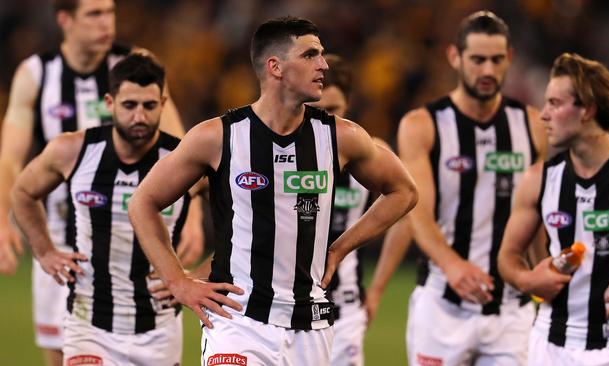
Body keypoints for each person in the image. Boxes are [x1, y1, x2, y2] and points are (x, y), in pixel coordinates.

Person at [127, 16, 417, 366]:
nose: (323, 64)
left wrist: (339, 250)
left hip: (311, 326)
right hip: (239, 320)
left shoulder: (342, 137)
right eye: (310, 55)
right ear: (275, 67)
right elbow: (143, 201)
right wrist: (178, 282)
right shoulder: (217, 137)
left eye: (321, 54)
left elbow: (403, 191)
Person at [0, 1, 202, 363]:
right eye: (94, 13)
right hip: (66, 241)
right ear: (65, 19)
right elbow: (11, 158)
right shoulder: (37, 73)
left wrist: (195, 215)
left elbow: (185, 154)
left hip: (140, 242)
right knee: (60, 353)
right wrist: (3, 217)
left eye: (109, 12)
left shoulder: (134, 67)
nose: (107, 22)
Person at [397, 11, 547, 365]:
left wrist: (544, 272)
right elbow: (418, 213)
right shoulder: (422, 125)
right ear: (455, 57)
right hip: (442, 306)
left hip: (511, 310)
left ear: (510, 57)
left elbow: (537, 215)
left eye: (497, 60)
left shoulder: (532, 125)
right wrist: (452, 264)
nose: (488, 71)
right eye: (477, 60)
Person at [498, 52, 609, 366]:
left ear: (587, 110)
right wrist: (529, 282)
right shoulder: (538, 179)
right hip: (548, 346)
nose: (543, 115)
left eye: (554, 103)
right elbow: (507, 257)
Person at [307, 53, 385, 366]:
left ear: (348, 105)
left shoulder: (368, 154)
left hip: (346, 308)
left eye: (334, 110)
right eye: (317, 111)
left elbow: (407, 210)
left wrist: (377, 288)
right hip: (288, 308)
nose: (326, 120)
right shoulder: (282, 155)